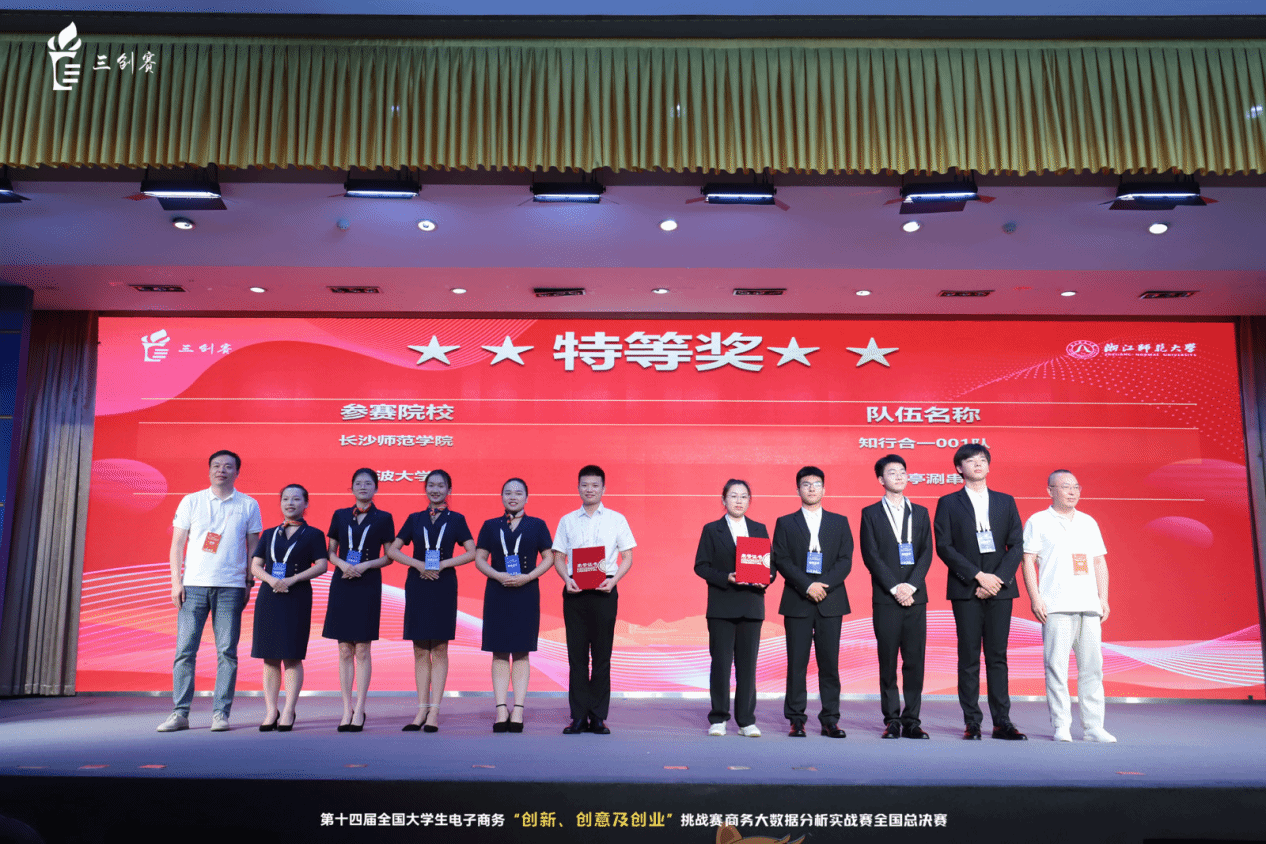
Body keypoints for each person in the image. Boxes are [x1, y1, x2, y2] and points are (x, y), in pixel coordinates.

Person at [157, 449, 262, 733]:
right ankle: (180, 713)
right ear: (209, 470)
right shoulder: (191, 501)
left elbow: (254, 547)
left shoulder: (249, 504)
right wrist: (176, 582)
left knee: (227, 652)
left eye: (228, 466)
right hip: (193, 585)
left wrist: (249, 582)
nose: (221, 471)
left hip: (231, 586)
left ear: (237, 472)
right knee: (184, 651)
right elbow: (177, 544)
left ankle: (221, 714)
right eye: (216, 466)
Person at [934, 443, 1027, 740]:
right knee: (969, 656)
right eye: (971, 460)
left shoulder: (1005, 501)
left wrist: (996, 580)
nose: (978, 464)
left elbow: (1017, 544)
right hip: (966, 589)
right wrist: (978, 577)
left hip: (1000, 589)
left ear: (988, 466)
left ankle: (1002, 722)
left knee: (997, 656)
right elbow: (944, 546)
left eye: (983, 460)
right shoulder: (948, 503)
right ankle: (972, 721)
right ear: (959, 468)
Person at [1021, 470, 1116, 743]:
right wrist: (1036, 598)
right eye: (1065, 487)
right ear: (1050, 491)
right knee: (1056, 668)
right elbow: (1028, 560)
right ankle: (1061, 725)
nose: (1072, 491)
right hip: (1056, 604)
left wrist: (1103, 598)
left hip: (1088, 605)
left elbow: (1098, 561)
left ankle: (1093, 727)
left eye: (1076, 487)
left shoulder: (1088, 522)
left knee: (1092, 668)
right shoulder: (1038, 521)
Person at [388, 469, 475, 732]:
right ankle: (421, 709)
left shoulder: (457, 519)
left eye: (441, 486)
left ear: (449, 490)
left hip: (443, 584)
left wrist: (443, 565)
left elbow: (472, 552)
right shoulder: (414, 519)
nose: (435, 490)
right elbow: (393, 550)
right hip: (418, 584)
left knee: (439, 648)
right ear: (425, 489)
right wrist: (419, 565)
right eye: (431, 485)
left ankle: (434, 710)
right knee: (419, 649)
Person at [552, 465, 636, 735]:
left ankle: (598, 716)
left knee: (602, 657)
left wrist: (614, 580)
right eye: (585, 485)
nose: (589, 489)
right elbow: (558, 557)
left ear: (603, 488)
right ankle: (578, 716)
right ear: (578, 487)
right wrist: (566, 579)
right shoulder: (567, 521)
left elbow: (628, 556)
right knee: (576, 657)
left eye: (595, 485)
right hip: (575, 591)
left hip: (604, 591)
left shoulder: (616, 519)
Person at [771, 465, 853, 738]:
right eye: (806, 484)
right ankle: (796, 719)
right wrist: (807, 586)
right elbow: (782, 559)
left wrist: (822, 586)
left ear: (824, 489)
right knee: (797, 663)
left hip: (831, 601)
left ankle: (830, 719)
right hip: (798, 600)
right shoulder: (785, 522)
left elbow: (845, 560)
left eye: (816, 484)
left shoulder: (839, 522)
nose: (811, 488)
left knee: (830, 664)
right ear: (798, 490)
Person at [860, 454, 933, 740]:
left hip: (916, 599)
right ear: (881, 479)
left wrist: (911, 587)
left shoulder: (921, 512)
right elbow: (871, 555)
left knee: (915, 661)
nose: (900, 476)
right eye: (892, 472)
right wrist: (895, 588)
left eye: (903, 471)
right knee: (888, 661)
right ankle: (891, 719)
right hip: (886, 599)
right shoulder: (870, 513)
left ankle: (912, 720)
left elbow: (926, 553)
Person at [474, 478, 555, 733]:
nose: (513, 496)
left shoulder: (537, 525)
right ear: (501, 497)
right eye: (508, 492)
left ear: (526, 498)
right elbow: (479, 558)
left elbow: (549, 557)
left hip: (526, 592)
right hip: (497, 591)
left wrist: (528, 577)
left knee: (521, 651)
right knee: (499, 651)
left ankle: (518, 709)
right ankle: (501, 709)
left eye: (518, 493)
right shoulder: (490, 525)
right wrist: (497, 575)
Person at [693, 479, 772, 738]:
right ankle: (718, 718)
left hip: (751, 605)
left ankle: (746, 721)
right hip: (722, 607)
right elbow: (701, 566)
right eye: (734, 496)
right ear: (723, 500)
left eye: (744, 496)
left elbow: (769, 565)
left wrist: (766, 578)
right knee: (721, 665)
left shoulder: (759, 529)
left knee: (748, 667)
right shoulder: (711, 529)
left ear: (750, 500)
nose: (739, 501)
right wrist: (725, 577)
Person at [249, 484, 329, 731]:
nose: (290, 503)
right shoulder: (269, 534)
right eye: (285, 499)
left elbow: (322, 565)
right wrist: (272, 580)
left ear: (306, 504)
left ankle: (289, 710)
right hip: (269, 596)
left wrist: (292, 580)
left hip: (297, 596)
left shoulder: (314, 534)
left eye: (296, 499)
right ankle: (270, 711)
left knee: (292, 655)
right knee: (269, 657)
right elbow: (255, 566)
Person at [323, 468, 396, 732]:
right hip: (343, 582)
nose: (363, 487)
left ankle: (361, 708)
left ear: (376, 488)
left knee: (363, 648)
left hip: (367, 583)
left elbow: (389, 556)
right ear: (352, 487)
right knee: (344, 649)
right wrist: (343, 564)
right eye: (358, 483)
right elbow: (330, 552)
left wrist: (365, 565)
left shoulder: (384, 518)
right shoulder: (340, 515)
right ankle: (346, 708)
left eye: (368, 483)